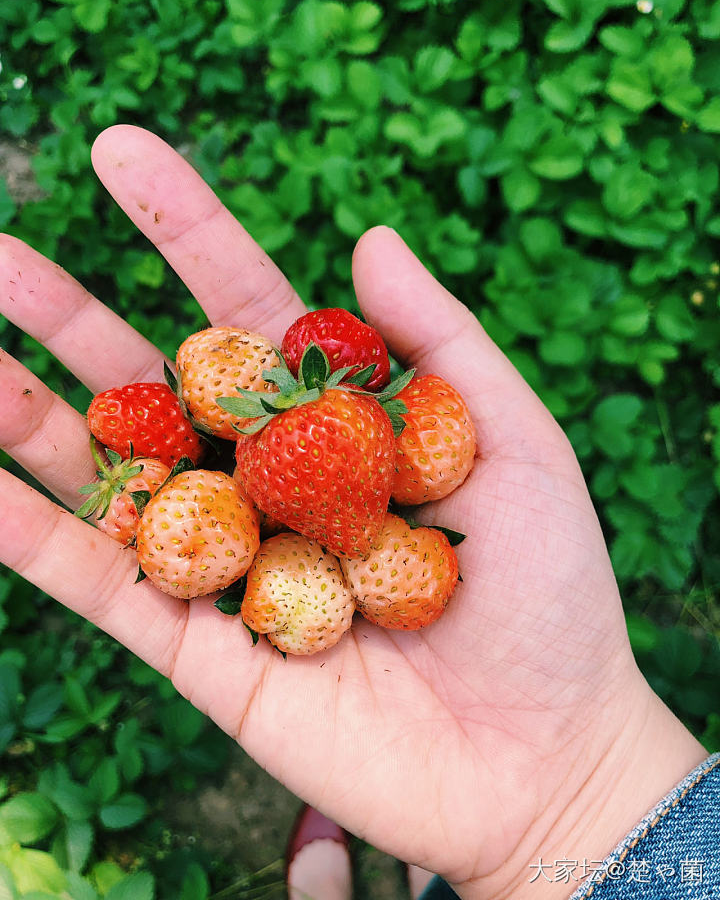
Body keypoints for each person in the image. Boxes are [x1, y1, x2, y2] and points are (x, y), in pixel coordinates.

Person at [0, 126, 717, 900]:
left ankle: (331, 889)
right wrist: (576, 810)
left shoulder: (319, 454)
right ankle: (436, 875)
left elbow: (337, 498)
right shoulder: (302, 454)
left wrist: (565, 811)